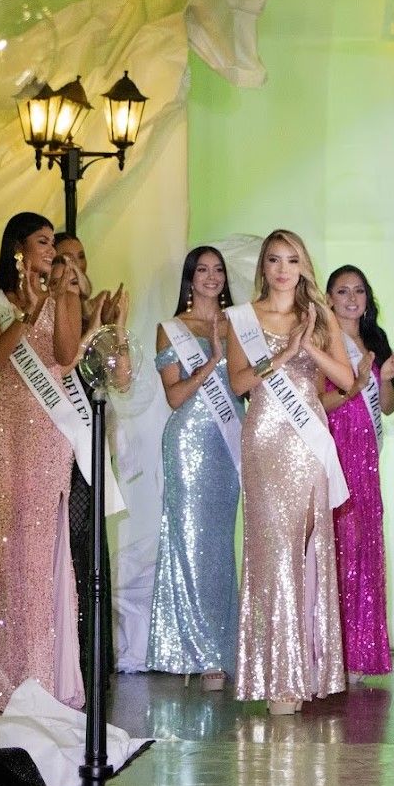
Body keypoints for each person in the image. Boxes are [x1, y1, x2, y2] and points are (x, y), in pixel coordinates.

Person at [225, 229, 356, 715]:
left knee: (307, 548)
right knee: (271, 551)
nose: (283, 269)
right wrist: (280, 356)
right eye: (274, 260)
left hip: (309, 441)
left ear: (303, 266)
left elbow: (346, 381)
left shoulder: (318, 317)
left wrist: (310, 347)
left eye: (292, 259)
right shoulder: (241, 317)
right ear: (263, 266)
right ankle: (278, 675)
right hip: (264, 436)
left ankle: (307, 670)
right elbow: (238, 381)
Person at [0, 212, 84, 711]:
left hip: (47, 429)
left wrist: (58, 299)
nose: (51, 251)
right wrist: (26, 312)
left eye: (53, 244)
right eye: (43, 243)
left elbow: (65, 354)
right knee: (0, 542)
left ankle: (40, 673)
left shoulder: (65, 296)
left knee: (39, 545)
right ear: (19, 249)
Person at [146, 245, 243, 690]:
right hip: (188, 443)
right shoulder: (173, 329)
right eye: (202, 270)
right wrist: (212, 360)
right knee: (187, 540)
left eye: (218, 269)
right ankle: (195, 650)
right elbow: (174, 396)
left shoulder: (240, 322)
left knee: (220, 544)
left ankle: (223, 649)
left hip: (229, 444)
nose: (211, 277)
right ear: (189, 278)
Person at [320, 265, 394, 683]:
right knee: (339, 544)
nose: (352, 298)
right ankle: (332, 651)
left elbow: (385, 406)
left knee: (363, 544)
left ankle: (359, 651)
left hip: (367, 454)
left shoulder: (374, 341)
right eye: (342, 291)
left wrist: (383, 378)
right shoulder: (321, 340)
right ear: (329, 297)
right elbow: (318, 402)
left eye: (359, 291)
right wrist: (351, 388)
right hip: (336, 445)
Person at [53, 231, 125, 678]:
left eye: (81, 256)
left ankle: (89, 654)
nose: (75, 266)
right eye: (64, 258)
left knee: (86, 540)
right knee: (61, 539)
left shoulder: (96, 307)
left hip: (88, 432)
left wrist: (110, 328)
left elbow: (118, 376)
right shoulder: (50, 307)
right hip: (53, 433)